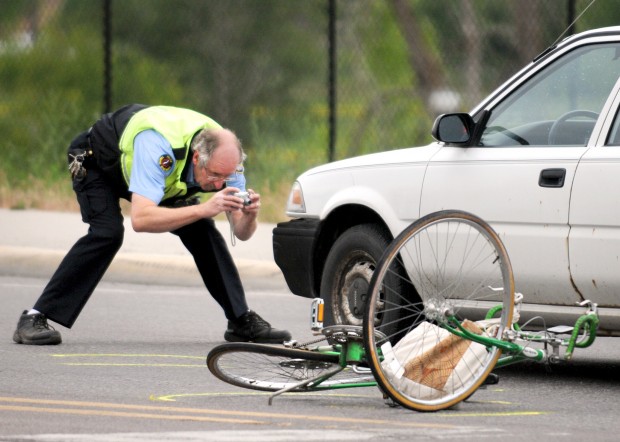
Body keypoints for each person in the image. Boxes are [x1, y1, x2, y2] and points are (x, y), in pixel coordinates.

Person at [12, 104, 291, 346]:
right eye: (215, 176)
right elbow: (142, 219)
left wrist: (250, 215)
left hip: (160, 182)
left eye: (227, 177)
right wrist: (205, 207)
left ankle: (240, 322)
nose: (220, 185)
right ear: (197, 158)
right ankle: (35, 317)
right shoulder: (158, 148)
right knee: (107, 233)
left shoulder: (226, 160)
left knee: (202, 229)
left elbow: (241, 233)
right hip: (100, 163)